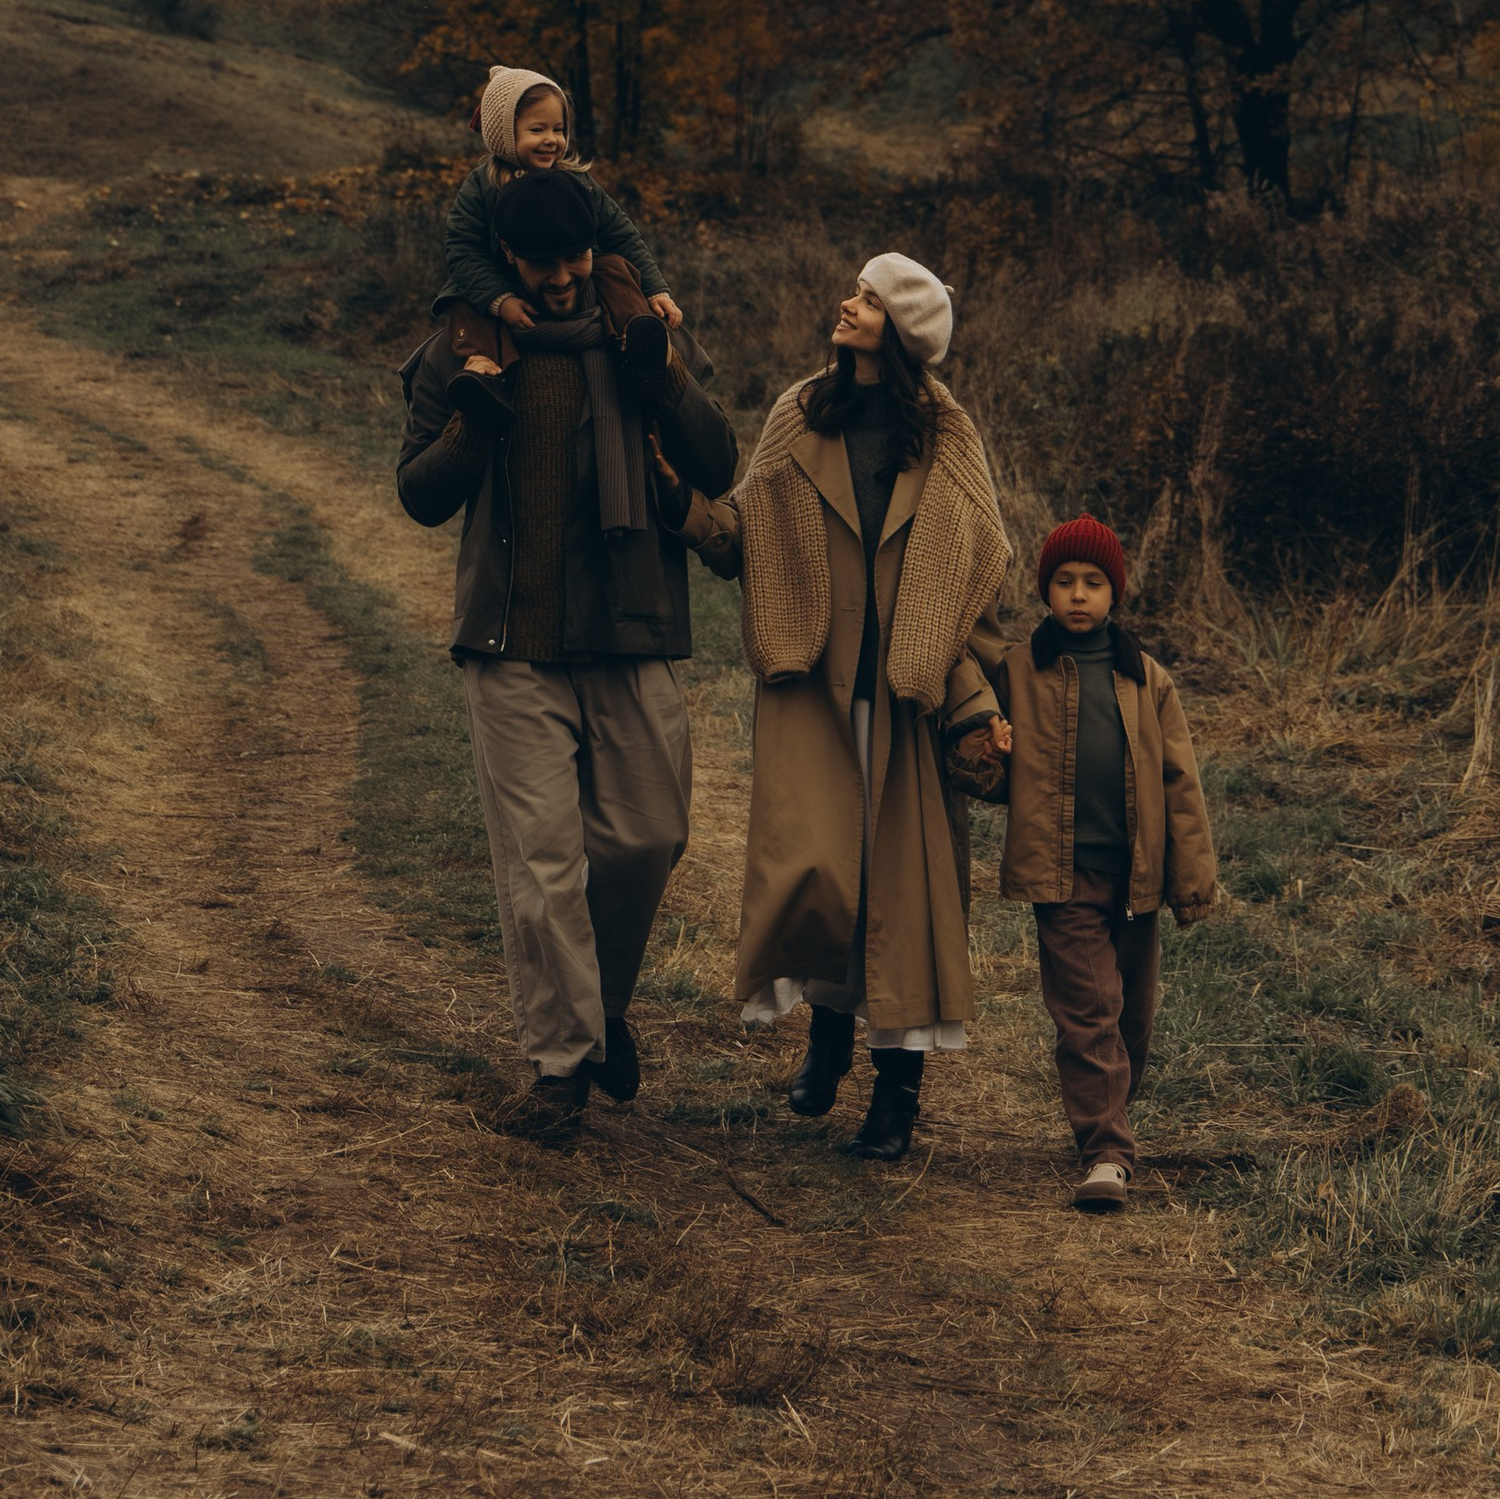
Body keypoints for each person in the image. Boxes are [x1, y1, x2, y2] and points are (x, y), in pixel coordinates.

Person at [395, 164, 737, 1145]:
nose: (563, 277)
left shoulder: (643, 333)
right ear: (508, 259)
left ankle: (598, 1016)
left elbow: (718, 463)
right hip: (512, 646)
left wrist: (663, 376)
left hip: (629, 633)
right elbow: (419, 494)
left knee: (646, 837)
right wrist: (472, 423)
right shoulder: (464, 347)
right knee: (542, 874)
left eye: (579, 257)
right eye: (543, 263)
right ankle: (558, 1076)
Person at [665, 253, 1015, 1164]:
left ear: (899, 328)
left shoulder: (947, 434)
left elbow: (981, 561)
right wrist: (684, 510)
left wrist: (963, 689)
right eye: (855, 292)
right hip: (811, 684)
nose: (846, 305)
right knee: (820, 874)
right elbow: (747, 528)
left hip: (909, 695)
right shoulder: (799, 410)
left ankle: (896, 1098)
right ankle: (825, 1040)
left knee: (907, 901)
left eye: (866, 298)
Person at [1003, 515, 1219, 1212]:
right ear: (1045, 590)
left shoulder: (1143, 677)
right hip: (1060, 875)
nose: (1077, 595)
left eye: (1093, 583)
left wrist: (1191, 881)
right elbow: (974, 756)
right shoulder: (1019, 669)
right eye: (1063, 581)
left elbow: (1179, 783)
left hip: (1137, 880)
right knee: (1089, 1012)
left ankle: (1108, 1113)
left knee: (1132, 1020)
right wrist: (987, 744)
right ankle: (1107, 1154)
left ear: (1114, 594)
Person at [436, 64, 683, 337]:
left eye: (559, 129)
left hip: (577, 278)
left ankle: (638, 334)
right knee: (463, 296)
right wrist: (499, 298)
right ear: (504, 133)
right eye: (537, 130)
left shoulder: (577, 181)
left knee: (615, 270)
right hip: (505, 277)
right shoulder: (482, 186)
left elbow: (621, 233)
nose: (551, 140)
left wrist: (655, 289)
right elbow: (462, 246)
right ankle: (478, 366)